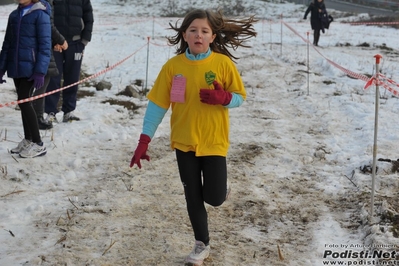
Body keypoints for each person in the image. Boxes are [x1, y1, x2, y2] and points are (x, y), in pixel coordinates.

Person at [129, 9, 257, 266]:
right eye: (193, 30)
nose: (199, 35)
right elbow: (157, 106)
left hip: (214, 141)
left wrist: (225, 98)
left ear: (212, 36)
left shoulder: (222, 64)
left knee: (214, 198)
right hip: (184, 142)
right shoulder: (173, 67)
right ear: (184, 35)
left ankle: (221, 191)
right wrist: (144, 140)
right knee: (193, 196)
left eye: (204, 31)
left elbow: (240, 97)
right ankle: (202, 244)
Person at [0, 0, 51, 158]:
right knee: (23, 103)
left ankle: (38, 143)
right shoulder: (14, 15)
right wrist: (1, 68)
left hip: (32, 68)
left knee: (24, 100)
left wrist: (40, 72)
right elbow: (7, 43)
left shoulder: (40, 14)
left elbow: (45, 45)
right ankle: (28, 139)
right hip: (17, 67)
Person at [44, 0, 94, 123]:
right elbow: (47, 18)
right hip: (56, 44)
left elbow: (89, 17)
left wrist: (84, 41)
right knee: (53, 78)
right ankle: (50, 112)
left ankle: (69, 111)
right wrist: (53, 40)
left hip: (76, 43)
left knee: (73, 77)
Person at [32, 0, 68, 130]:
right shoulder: (44, 3)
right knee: (42, 83)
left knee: (40, 84)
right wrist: (61, 40)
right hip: (41, 48)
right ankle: (37, 119)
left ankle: (37, 117)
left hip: (38, 46)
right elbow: (48, 25)